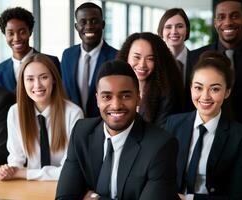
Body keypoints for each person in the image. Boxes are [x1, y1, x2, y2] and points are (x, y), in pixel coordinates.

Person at [56, 60, 178, 200]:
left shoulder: (161, 145)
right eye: (106, 97)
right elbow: (65, 196)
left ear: (138, 97)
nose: (116, 105)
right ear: (97, 100)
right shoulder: (81, 132)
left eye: (125, 96)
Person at [164, 51, 242, 200]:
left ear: (227, 92)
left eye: (215, 89)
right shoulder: (173, 124)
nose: (205, 96)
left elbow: (240, 196)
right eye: (198, 87)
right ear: (191, 88)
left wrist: (188, 199)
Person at [0, 54, 83, 181]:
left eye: (44, 77)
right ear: (23, 83)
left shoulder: (73, 113)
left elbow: (69, 170)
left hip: (64, 185)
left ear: (54, 79)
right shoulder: (15, 112)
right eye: (30, 79)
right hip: (31, 186)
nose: (37, 85)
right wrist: (9, 170)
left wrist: (24, 174)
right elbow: (16, 159)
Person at [190, 0, 242, 136]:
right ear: (215, 23)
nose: (227, 22)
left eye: (235, 16)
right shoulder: (194, 57)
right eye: (221, 17)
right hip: (204, 137)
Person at [60, 2, 117, 117]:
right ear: (76, 27)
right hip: (73, 124)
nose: (89, 26)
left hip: (104, 124)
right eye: (83, 22)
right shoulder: (67, 55)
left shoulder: (116, 57)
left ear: (103, 24)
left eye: (94, 21)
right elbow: (64, 92)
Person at [117, 32, 184, 126]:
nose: (142, 65)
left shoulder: (166, 95)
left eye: (150, 59)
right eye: (136, 57)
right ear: (126, 56)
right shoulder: (116, 87)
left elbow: (161, 133)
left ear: (159, 62)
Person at [0, 7, 61, 93]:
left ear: (30, 31)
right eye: (10, 33)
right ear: (5, 35)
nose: (16, 38)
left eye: (22, 32)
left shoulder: (51, 62)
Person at [158, 8, 194, 111]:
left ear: (187, 30)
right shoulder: (155, 63)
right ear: (162, 31)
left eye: (179, 26)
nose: (174, 32)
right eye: (168, 27)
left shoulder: (198, 61)